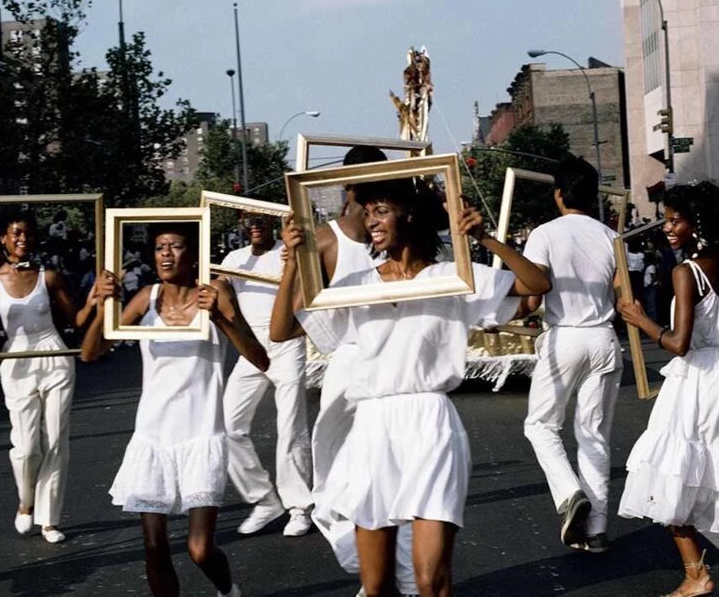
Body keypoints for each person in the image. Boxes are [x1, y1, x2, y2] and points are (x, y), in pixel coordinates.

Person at [270, 178, 550, 597]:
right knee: (377, 584)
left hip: (430, 422)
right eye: (367, 213)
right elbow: (281, 330)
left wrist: (483, 237)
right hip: (373, 426)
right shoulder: (354, 287)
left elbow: (536, 284)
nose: (371, 221)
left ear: (410, 216)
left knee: (430, 581)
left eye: (380, 210)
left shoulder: (451, 276)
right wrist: (293, 262)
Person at [80, 223, 269, 596]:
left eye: (176, 246)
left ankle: (228, 591)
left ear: (193, 252)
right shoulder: (146, 299)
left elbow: (260, 358)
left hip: (201, 436)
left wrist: (221, 319)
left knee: (199, 549)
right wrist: (103, 306)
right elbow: (90, 353)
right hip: (153, 438)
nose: (166, 254)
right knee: (154, 548)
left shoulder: (215, 292)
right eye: (159, 247)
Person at [618, 181, 719, 597]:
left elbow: (678, 343)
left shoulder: (686, 272)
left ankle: (696, 574)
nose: (667, 228)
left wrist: (639, 318)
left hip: (698, 375)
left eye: (674, 220)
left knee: (670, 468)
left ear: (696, 224)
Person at [306, 146, 419, 595]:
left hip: (400, 374)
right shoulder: (326, 238)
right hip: (353, 376)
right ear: (349, 186)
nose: (372, 212)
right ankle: (378, 576)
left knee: (404, 482)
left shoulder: (405, 234)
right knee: (346, 485)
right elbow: (299, 319)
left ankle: (404, 580)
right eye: (362, 187)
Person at [516, 159, 622, 554]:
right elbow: (621, 294)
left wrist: (500, 314)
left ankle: (568, 493)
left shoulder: (544, 234)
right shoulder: (612, 236)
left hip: (565, 338)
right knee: (594, 436)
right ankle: (596, 529)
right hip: (604, 337)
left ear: (558, 194)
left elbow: (531, 296)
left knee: (541, 425)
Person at [0, 209, 82, 543]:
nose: (22, 239)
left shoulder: (50, 276)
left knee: (56, 439)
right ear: (3, 239)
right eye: (15, 233)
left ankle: (50, 520)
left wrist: (101, 297)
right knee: (27, 446)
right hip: (16, 359)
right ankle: (26, 501)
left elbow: (78, 318)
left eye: (27, 233)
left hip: (54, 354)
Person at [220, 212, 313, 537]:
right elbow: (218, 290)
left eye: (260, 220)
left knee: (290, 427)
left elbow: (311, 289)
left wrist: (296, 260)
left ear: (272, 223)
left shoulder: (286, 253)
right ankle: (263, 499)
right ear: (241, 226)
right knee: (228, 426)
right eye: (247, 221)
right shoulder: (234, 259)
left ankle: (299, 507)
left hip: (286, 344)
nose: (254, 226)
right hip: (251, 349)